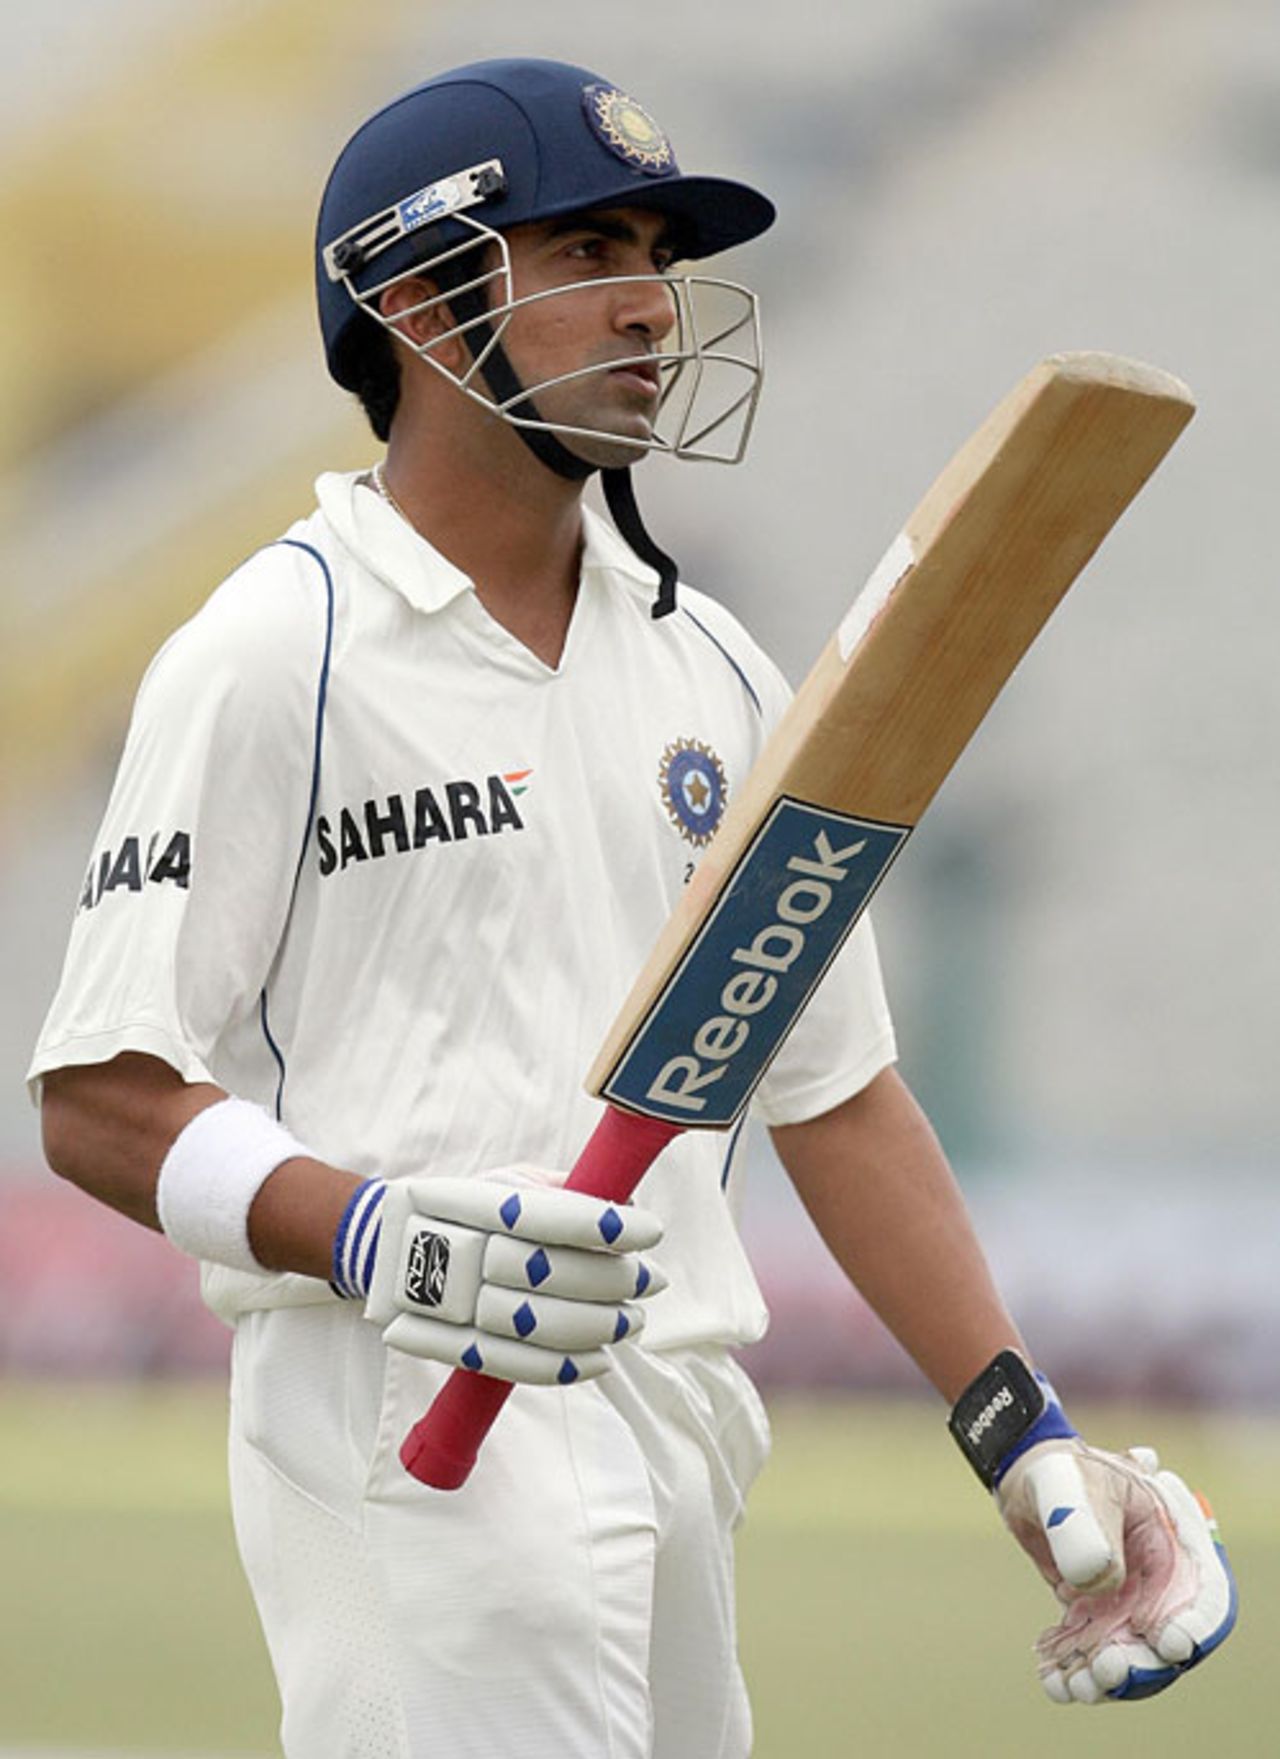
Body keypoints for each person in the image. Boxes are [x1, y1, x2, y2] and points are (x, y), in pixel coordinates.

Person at [29, 56, 1234, 1759]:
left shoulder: (718, 671)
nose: (652, 305)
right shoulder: (269, 654)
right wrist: (382, 1234)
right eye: (587, 250)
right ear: (419, 300)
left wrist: (1021, 1430)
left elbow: (830, 1087)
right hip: (410, 1422)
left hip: (682, 1419)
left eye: (657, 255)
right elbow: (101, 1093)